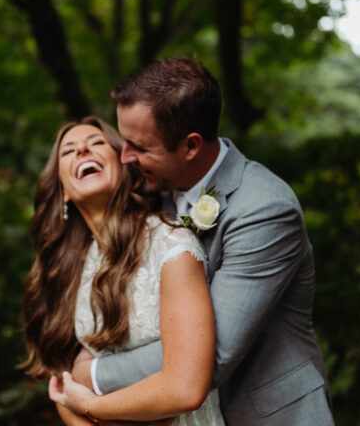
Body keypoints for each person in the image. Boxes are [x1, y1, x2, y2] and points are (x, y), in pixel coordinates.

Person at [70, 57, 335, 425]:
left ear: (190, 146)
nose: (125, 156)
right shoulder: (149, 194)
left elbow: (208, 357)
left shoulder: (264, 209)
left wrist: (91, 375)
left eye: (140, 147)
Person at [20, 116, 226, 425]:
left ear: (124, 166)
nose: (82, 152)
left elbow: (186, 390)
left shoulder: (171, 246)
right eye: (69, 151)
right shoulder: (75, 267)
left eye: (97, 143)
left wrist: (90, 405)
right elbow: (63, 391)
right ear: (62, 191)